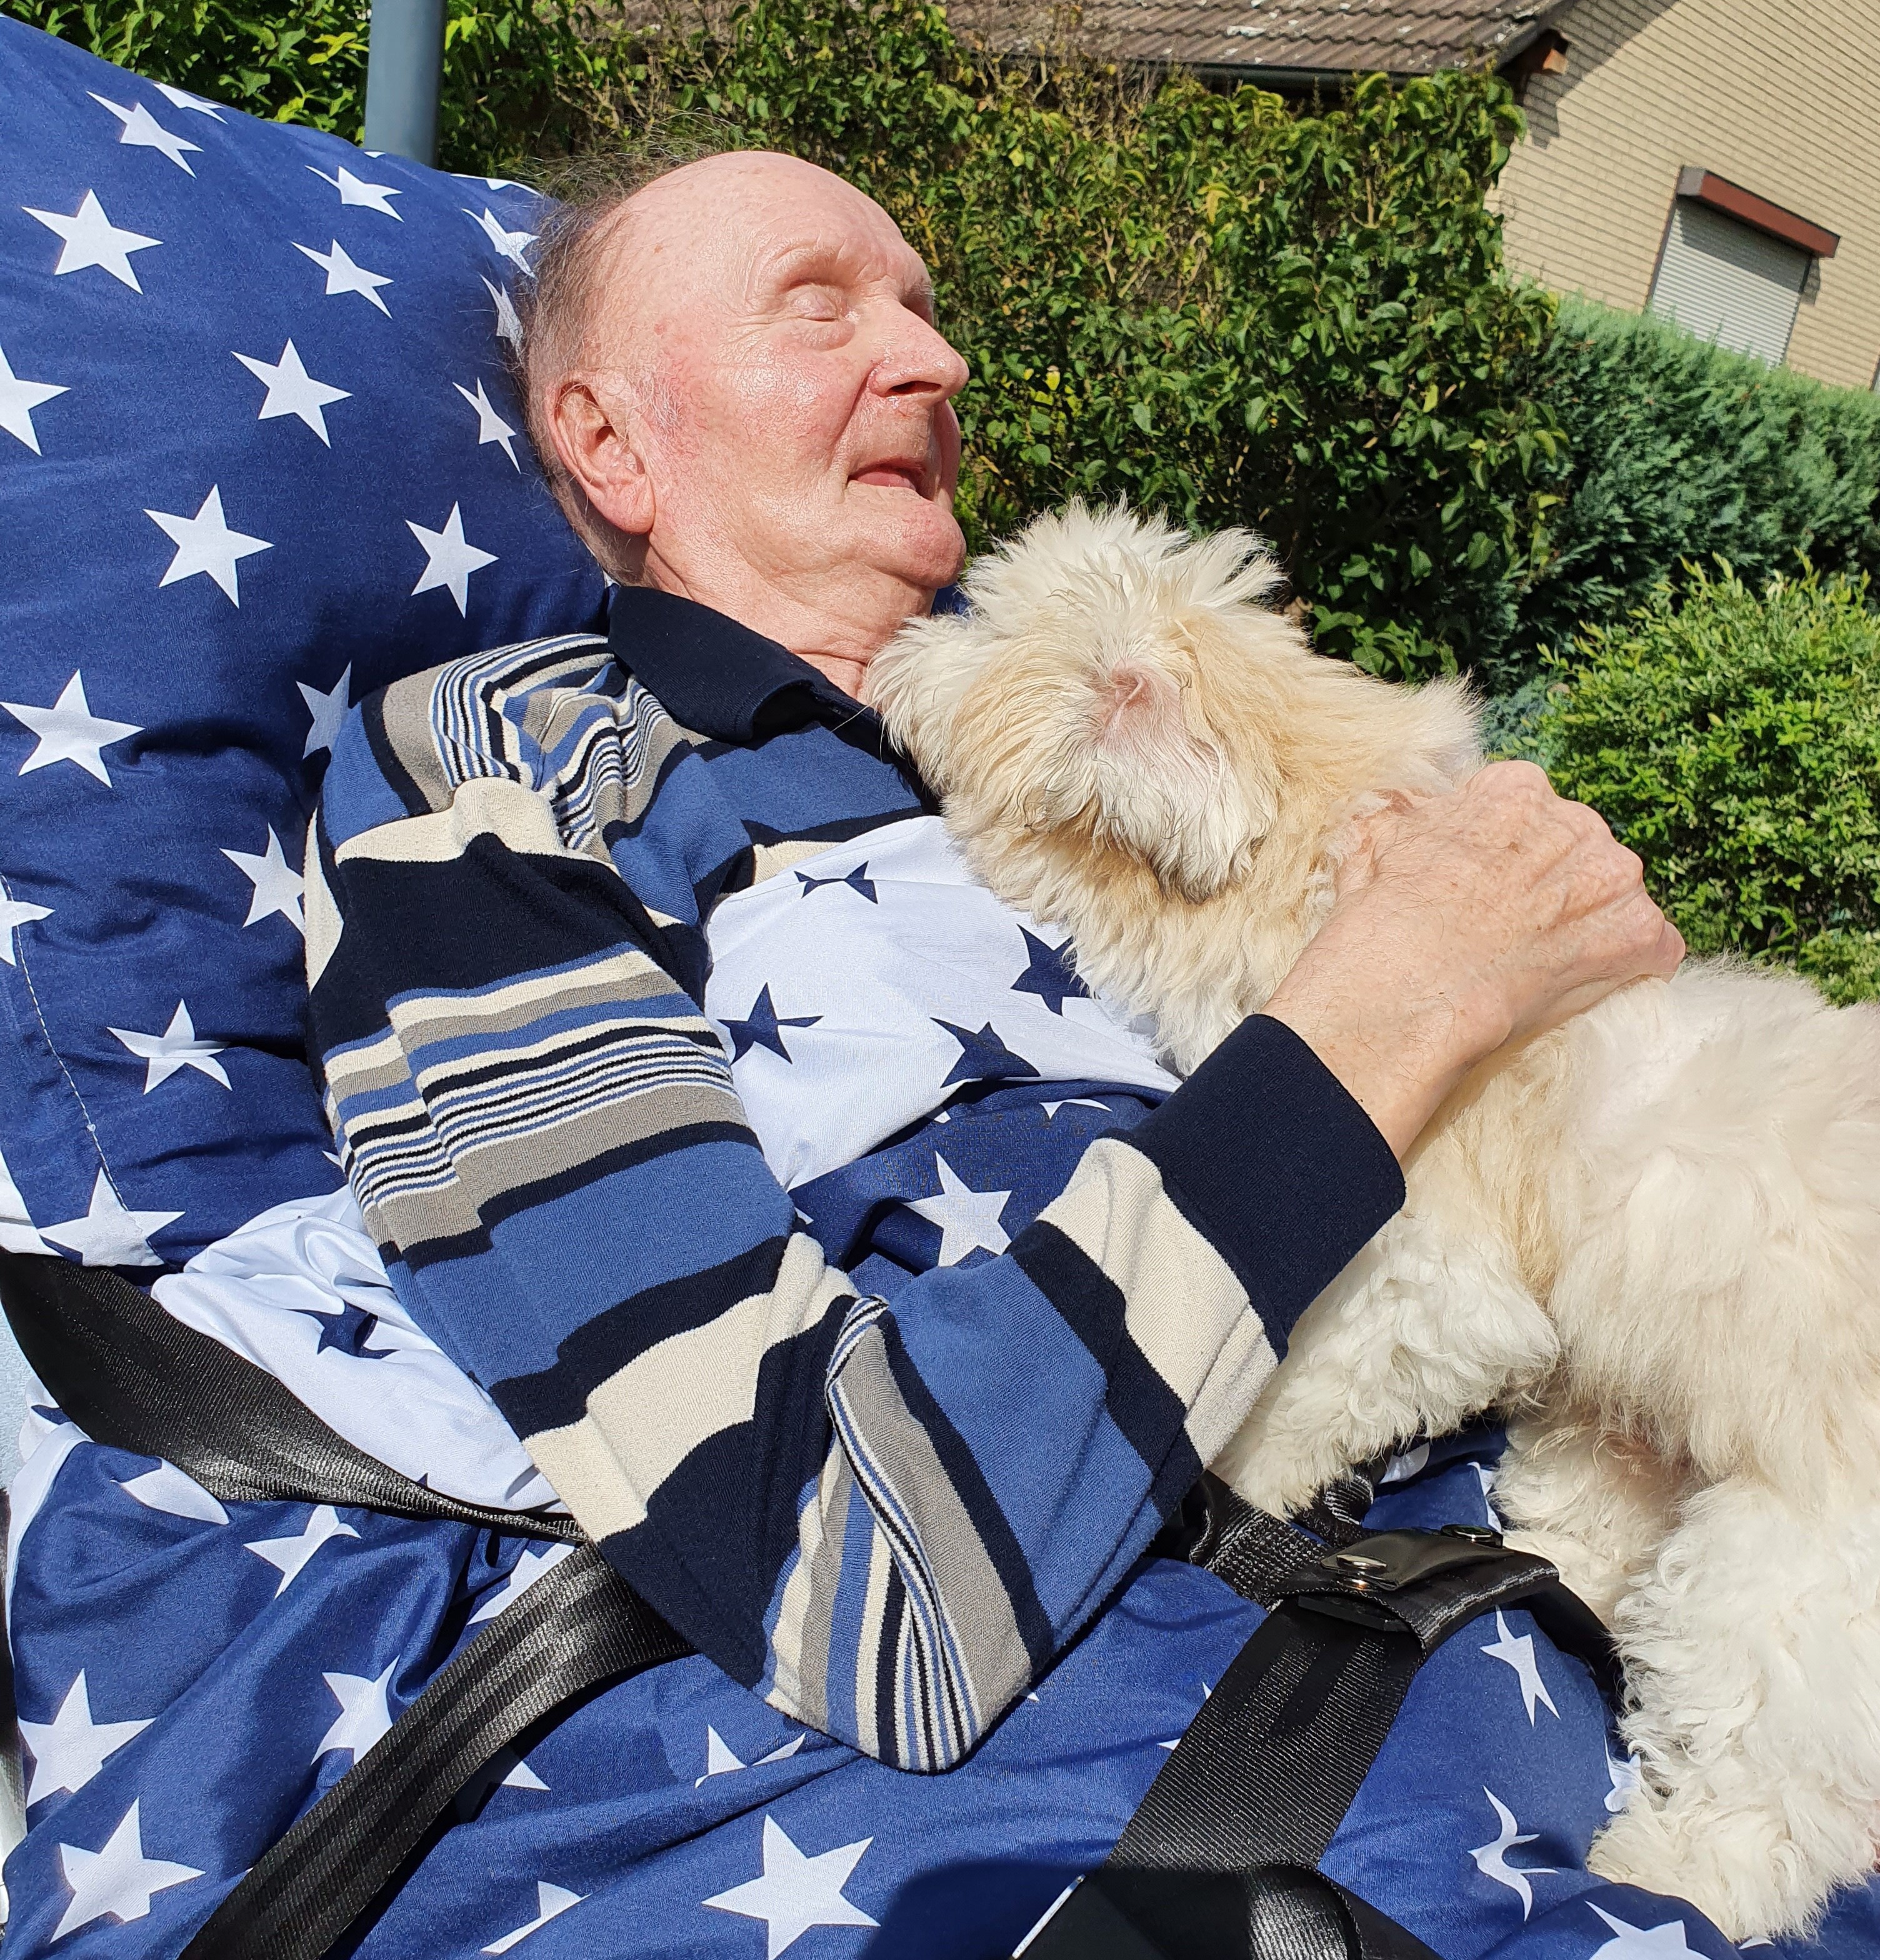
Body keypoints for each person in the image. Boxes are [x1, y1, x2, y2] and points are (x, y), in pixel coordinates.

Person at [2, 149, 1682, 1960]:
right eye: (821, 304)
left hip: (1593, 1683)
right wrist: (1403, 1001)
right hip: (1218, 1809)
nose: (939, 363)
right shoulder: (515, 766)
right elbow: (867, 1573)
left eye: (925, 306)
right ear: (613, 445)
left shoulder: (1135, 756)